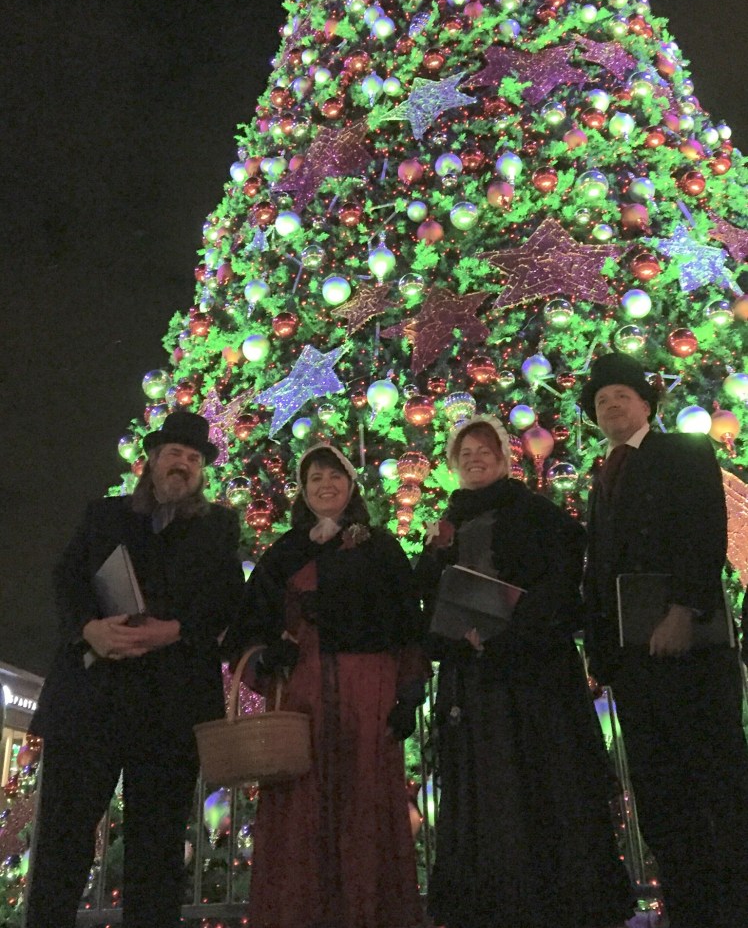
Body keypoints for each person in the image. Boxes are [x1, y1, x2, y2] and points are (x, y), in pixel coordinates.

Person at [26, 410, 245, 928]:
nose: (183, 465)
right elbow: (68, 580)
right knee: (64, 841)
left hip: (169, 711)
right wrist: (89, 630)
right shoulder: (104, 515)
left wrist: (175, 630)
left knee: (158, 851)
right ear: (151, 461)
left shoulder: (218, 527)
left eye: (194, 459)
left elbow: (228, 600)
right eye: (174, 454)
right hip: (91, 705)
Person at [416, 414, 634, 928]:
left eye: (483, 450)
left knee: (542, 784)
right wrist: (439, 566)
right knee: (486, 789)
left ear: (503, 456)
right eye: (464, 453)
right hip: (474, 680)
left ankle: (554, 902)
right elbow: (428, 593)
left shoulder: (534, 511)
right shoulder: (448, 520)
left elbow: (560, 579)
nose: (474, 459)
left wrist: (512, 628)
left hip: (532, 676)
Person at [226, 442, 426, 928]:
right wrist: (272, 651)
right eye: (315, 478)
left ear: (352, 485)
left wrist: (409, 694)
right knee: (301, 800)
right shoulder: (284, 552)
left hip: (368, 688)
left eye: (334, 476)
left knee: (365, 798)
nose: (325, 485)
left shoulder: (380, 546)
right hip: (304, 692)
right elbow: (247, 624)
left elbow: (408, 624)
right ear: (304, 489)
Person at [581, 352, 748, 928]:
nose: (610, 407)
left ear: (646, 404)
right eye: (601, 402)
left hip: (691, 652)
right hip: (634, 663)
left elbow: (705, 531)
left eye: (620, 396)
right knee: (660, 794)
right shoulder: (602, 478)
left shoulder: (684, 452)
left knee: (715, 783)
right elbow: (599, 570)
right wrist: (600, 652)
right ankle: (690, 910)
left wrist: (685, 608)